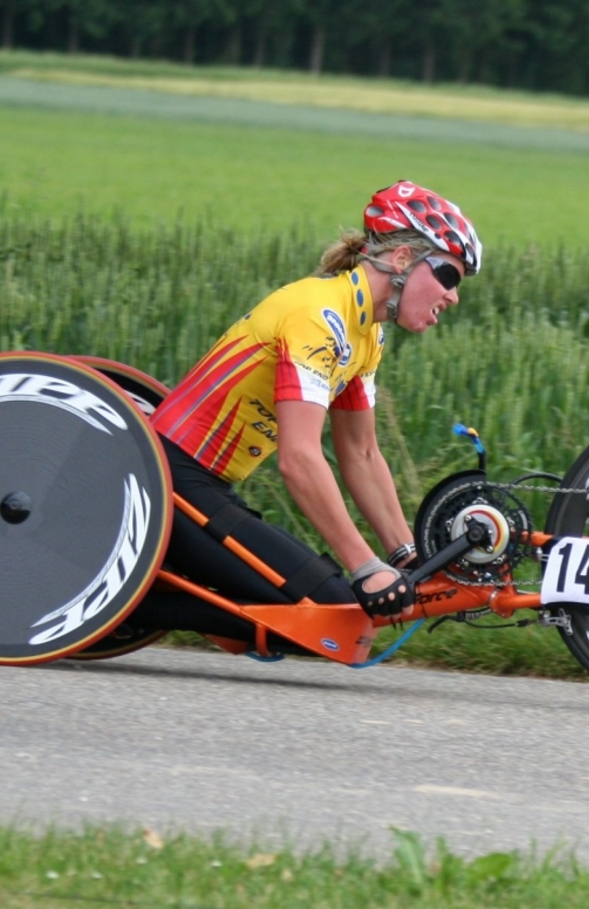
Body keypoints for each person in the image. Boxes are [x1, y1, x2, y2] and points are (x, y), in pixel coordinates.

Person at [124, 181, 482, 646]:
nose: (452, 296)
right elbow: (299, 458)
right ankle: (131, 602)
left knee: (343, 615)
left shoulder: (365, 333)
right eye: (448, 277)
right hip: (170, 479)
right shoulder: (320, 316)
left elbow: (362, 453)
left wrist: (407, 555)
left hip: (207, 487)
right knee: (334, 620)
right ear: (402, 261)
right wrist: (366, 567)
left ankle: (186, 596)